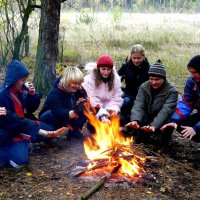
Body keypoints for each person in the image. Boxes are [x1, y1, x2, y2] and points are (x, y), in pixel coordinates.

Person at [0, 60, 57, 142]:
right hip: (15, 125)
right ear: (14, 80)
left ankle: (27, 139)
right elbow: (7, 120)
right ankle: (23, 140)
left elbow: (31, 109)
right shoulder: (2, 94)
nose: (24, 83)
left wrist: (32, 96)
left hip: (25, 121)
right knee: (40, 134)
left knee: (50, 129)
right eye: (22, 80)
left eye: (25, 80)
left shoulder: (22, 91)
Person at [126, 60, 178, 146]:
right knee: (137, 113)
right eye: (151, 79)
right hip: (148, 115)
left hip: (162, 119)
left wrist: (154, 125)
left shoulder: (172, 91)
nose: (153, 82)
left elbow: (166, 110)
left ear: (163, 78)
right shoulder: (143, 87)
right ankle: (143, 135)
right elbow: (139, 104)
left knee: (171, 116)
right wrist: (135, 120)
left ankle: (164, 141)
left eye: (157, 79)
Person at [0, 106, 66, 168]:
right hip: (5, 137)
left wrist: (45, 133)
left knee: (21, 160)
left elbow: (15, 120)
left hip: (8, 134)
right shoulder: (3, 95)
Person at [39, 66, 88, 140]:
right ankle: (49, 131)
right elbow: (57, 110)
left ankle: (74, 133)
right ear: (67, 81)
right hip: (50, 117)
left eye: (79, 83)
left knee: (85, 111)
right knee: (49, 126)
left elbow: (85, 99)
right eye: (74, 83)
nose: (77, 86)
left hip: (67, 117)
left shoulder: (79, 90)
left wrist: (80, 104)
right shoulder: (55, 92)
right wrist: (70, 113)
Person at [161, 55, 200, 143]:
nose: (192, 75)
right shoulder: (192, 82)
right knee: (180, 124)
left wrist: (196, 128)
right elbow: (186, 103)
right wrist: (174, 120)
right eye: (191, 72)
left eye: (195, 72)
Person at [83, 55, 123, 124]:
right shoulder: (89, 80)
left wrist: (112, 110)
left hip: (110, 106)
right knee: (94, 126)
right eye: (103, 69)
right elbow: (92, 100)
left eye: (109, 69)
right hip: (96, 108)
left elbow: (117, 98)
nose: (106, 72)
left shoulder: (116, 79)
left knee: (120, 120)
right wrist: (103, 115)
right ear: (99, 68)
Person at [118, 44, 150, 125]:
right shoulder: (126, 66)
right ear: (131, 57)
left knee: (145, 119)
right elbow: (116, 78)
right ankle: (125, 120)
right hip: (129, 93)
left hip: (143, 95)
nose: (136, 60)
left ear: (143, 56)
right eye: (134, 58)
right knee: (125, 102)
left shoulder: (148, 68)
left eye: (139, 58)